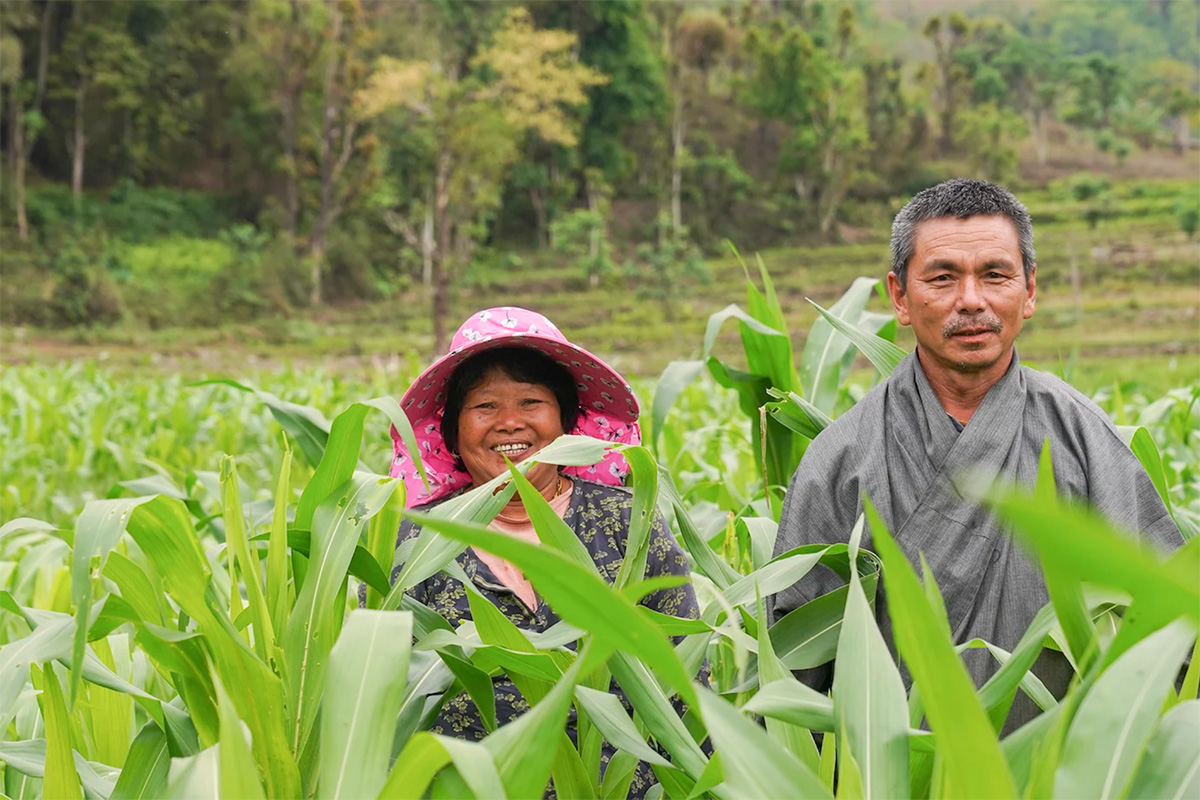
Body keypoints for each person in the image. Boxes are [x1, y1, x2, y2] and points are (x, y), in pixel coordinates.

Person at [773, 178, 1182, 730]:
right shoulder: (841, 460)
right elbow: (796, 662)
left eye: (995, 275)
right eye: (942, 278)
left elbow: (1168, 629)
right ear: (899, 297)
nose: (971, 299)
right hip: (884, 776)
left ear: (1029, 290)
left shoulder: (1084, 440)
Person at [380, 306, 700, 797]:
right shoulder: (414, 542)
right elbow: (379, 701)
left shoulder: (627, 524)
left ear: (565, 419)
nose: (510, 423)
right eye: (485, 407)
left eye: (531, 402)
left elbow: (685, 674)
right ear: (454, 430)